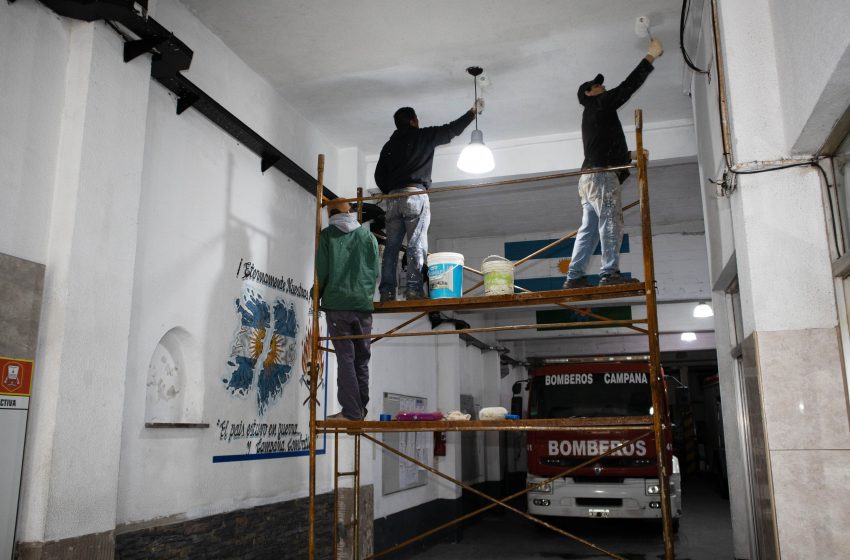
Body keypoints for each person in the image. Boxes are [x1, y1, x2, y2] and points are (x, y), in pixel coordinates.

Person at [564, 38, 664, 288]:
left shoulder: (595, 115)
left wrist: (630, 155)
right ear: (588, 94)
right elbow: (627, 87)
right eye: (597, 85)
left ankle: (574, 277)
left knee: (590, 228)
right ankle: (609, 273)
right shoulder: (598, 104)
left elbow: (603, 147)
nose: (603, 86)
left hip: (589, 177)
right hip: (601, 176)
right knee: (610, 220)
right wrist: (650, 56)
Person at [375, 99, 484, 301]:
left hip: (393, 199)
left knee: (391, 247)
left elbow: (378, 175)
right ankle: (413, 289)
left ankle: (386, 292)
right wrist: (472, 112)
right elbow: (452, 129)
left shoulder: (388, 146)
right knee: (416, 243)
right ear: (413, 120)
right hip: (414, 195)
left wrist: (390, 191)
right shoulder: (424, 136)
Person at [316, 198, 380, 420]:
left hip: (338, 305)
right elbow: (375, 272)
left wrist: (316, 294)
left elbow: (322, 271)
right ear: (349, 212)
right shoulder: (368, 237)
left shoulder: (327, 236)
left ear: (330, 214)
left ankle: (352, 412)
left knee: (345, 358)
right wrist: (365, 295)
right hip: (363, 307)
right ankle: (360, 409)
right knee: (361, 359)